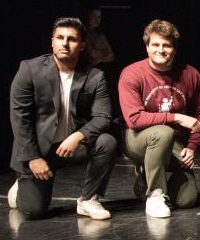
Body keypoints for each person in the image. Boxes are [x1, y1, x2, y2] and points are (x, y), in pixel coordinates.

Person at [8, 17, 118, 220]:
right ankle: (20, 187)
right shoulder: (30, 69)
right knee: (34, 211)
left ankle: (88, 199)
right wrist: (33, 158)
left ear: (82, 45)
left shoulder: (95, 76)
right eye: (60, 38)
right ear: (52, 41)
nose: (65, 43)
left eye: (72, 39)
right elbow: (19, 118)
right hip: (39, 150)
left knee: (107, 142)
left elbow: (103, 117)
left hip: (71, 147)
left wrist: (78, 136)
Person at [119, 20, 200, 218]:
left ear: (174, 49)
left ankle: (145, 180)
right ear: (147, 47)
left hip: (174, 143)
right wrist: (176, 117)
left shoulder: (190, 74)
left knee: (186, 200)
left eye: (166, 45)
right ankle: (155, 194)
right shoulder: (132, 73)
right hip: (136, 138)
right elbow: (134, 119)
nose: (161, 50)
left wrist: (192, 147)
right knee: (163, 131)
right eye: (155, 45)